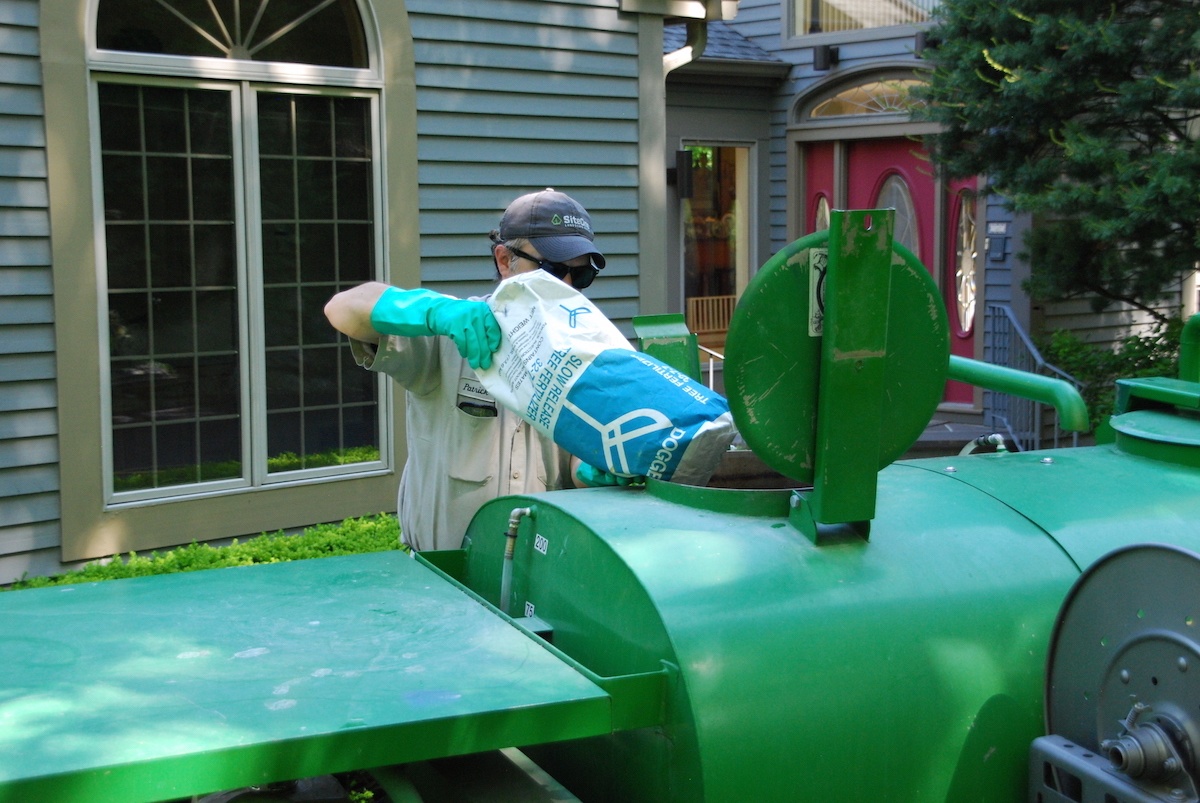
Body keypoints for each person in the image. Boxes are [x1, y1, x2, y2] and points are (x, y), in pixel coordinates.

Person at [324, 189, 610, 552]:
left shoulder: (590, 356)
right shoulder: (448, 337)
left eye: (581, 274)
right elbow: (343, 310)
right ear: (505, 260)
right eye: (553, 270)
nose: (567, 286)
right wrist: (434, 312)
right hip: (442, 576)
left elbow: (577, 469)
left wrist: (600, 469)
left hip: (542, 579)